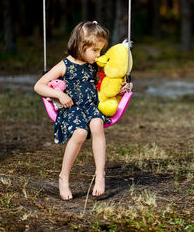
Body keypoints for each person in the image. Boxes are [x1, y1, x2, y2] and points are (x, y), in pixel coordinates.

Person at [34, 21, 133, 200]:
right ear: (80, 46)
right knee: (80, 133)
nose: (98, 54)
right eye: (95, 50)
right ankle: (63, 177)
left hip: (91, 107)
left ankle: (100, 174)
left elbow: (108, 81)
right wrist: (59, 95)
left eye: (100, 50)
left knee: (97, 123)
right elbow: (38, 86)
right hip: (70, 109)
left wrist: (124, 87)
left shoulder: (95, 64)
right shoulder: (64, 65)